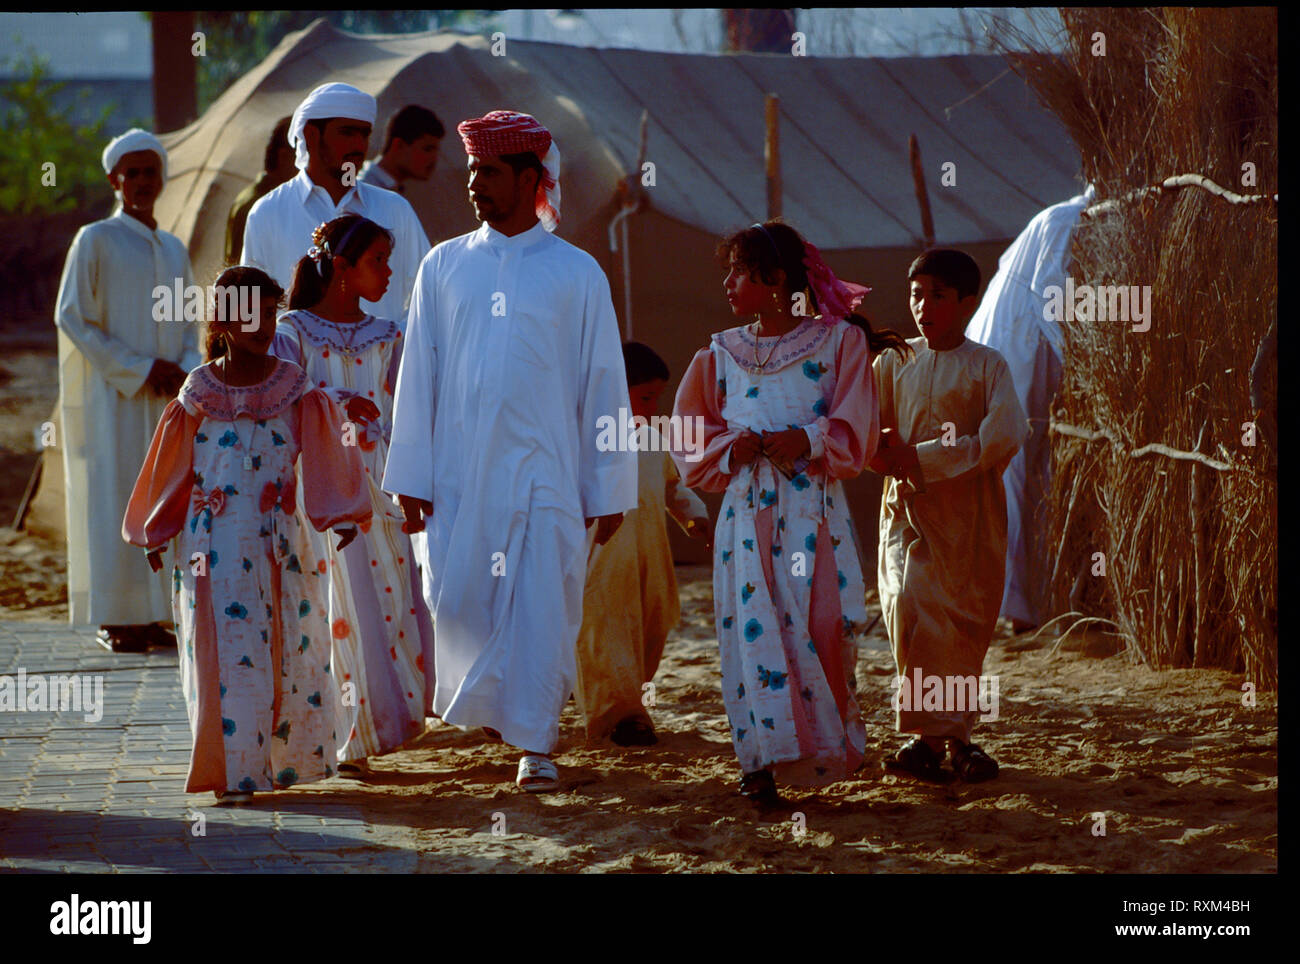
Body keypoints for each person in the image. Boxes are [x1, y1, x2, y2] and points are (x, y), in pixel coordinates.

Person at [383, 110, 636, 793]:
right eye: (471, 172)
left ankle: (536, 743)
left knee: (542, 607)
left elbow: (603, 385)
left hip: (548, 477)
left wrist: (609, 486)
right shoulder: (443, 265)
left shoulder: (576, 273)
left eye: (489, 172)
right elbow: (418, 377)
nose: (474, 185)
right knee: (458, 603)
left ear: (531, 179)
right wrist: (409, 473)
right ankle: (502, 711)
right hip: (459, 478)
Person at [671, 220, 901, 806]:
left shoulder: (838, 343)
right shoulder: (720, 352)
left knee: (823, 625)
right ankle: (760, 766)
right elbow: (692, 438)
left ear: (775, 279)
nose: (727, 283)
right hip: (746, 520)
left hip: (812, 514)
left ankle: (820, 752)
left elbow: (859, 430)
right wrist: (731, 448)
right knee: (751, 635)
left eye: (740, 271)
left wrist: (810, 438)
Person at [122, 265, 372, 804]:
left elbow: (327, 456)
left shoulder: (294, 385)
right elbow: (173, 470)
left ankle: (274, 765)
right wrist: (155, 530)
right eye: (246, 312)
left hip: (280, 544)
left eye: (268, 310)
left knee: (283, 648)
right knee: (228, 653)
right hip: (210, 548)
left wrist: (343, 513)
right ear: (223, 322)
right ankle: (235, 774)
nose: (260, 323)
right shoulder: (198, 392)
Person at [272, 214, 436, 776]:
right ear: (340, 268)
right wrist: (337, 401)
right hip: (322, 494)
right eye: (376, 262)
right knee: (336, 607)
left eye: (389, 262)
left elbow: (412, 412)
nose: (389, 273)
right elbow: (284, 402)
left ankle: (387, 722)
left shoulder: (390, 336)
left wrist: (416, 479)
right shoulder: (291, 333)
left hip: (383, 488)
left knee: (388, 602)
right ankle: (349, 739)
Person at [871, 248, 1029, 784]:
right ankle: (926, 737)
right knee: (907, 610)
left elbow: (1002, 436)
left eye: (937, 295)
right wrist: (883, 454)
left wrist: (922, 456)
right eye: (916, 294)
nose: (923, 306)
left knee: (956, 625)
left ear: (968, 302)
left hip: (969, 519)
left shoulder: (988, 365)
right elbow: (867, 424)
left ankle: (956, 740)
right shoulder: (893, 361)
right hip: (905, 512)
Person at [54, 128, 201, 653]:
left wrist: (184, 370)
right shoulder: (95, 239)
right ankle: (117, 617)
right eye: (131, 173)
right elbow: (72, 317)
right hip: (115, 399)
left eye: (150, 171)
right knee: (116, 495)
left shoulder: (173, 247)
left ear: (162, 177)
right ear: (115, 179)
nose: (142, 181)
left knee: (163, 496)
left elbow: (189, 325)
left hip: (166, 399)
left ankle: (156, 612)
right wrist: (140, 368)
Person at [574, 342, 711, 746]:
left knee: (651, 628)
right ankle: (620, 717)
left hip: (651, 556)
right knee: (607, 630)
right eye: (645, 397)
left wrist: (693, 514)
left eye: (657, 398)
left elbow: (672, 486)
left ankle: (628, 701)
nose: (653, 406)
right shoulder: (587, 438)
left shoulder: (652, 438)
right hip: (604, 558)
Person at [241, 83, 430, 324]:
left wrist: (393, 344)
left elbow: (428, 294)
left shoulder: (395, 209)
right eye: (347, 133)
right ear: (311, 135)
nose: (359, 146)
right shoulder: (268, 213)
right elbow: (250, 309)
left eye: (365, 134)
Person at [224, 116, 296, 266]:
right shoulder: (255, 205)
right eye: (303, 156)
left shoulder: (284, 199)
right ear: (284, 157)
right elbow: (239, 270)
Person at [360, 105, 445, 195]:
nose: (434, 159)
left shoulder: (385, 188)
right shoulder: (365, 190)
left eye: (436, 151)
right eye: (427, 149)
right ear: (399, 145)